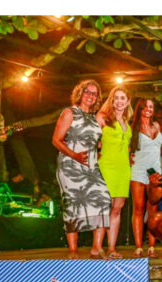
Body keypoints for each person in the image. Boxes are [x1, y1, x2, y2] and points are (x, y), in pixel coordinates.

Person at [52, 79, 110, 258]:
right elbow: (56, 140)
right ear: (80, 93)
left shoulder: (94, 119)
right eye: (87, 92)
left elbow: (95, 141)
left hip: (91, 167)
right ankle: (73, 250)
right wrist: (74, 155)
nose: (90, 96)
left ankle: (96, 248)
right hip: (70, 165)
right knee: (73, 205)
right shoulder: (70, 113)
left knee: (103, 199)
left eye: (94, 94)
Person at [96, 87, 133, 259]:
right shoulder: (102, 118)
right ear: (111, 100)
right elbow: (90, 140)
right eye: (116, 98)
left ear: (127, 101)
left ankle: (111, 248)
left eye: (122, 98)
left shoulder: (127, 122)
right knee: (104, 208)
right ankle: (97, 247)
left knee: (117, 209)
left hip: (123, 169)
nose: (119, 101)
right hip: (105, 167)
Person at [128, 97, 162, 257]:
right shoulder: (132, 128)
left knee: (153, 209)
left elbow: (160, 150)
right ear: (140, 109)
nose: (149, 109)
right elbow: (125, 149)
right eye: (145, 107)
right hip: (138, 170)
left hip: (155, 171)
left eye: (151, 107)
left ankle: (151, 246)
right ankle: (138, 246)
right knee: (139, 207)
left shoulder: (156, 125)